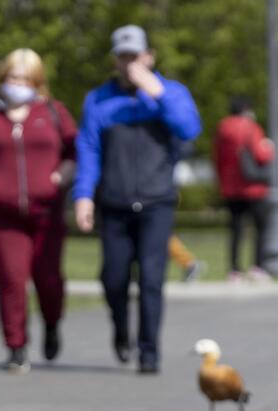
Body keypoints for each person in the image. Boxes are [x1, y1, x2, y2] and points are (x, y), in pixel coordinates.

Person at [73, 25, 201, 374]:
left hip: (156, 202)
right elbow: (88, 150)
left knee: (151, 280)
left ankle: (149, 352)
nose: (129, 63)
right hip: (114, 204)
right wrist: (84, 196)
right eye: (123, 57)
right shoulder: (99, 100)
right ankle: (120, 329)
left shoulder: (170, 93)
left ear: (148, 56)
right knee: (113, 279)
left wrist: (156, 92)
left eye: (135, 55)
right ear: (115, 60)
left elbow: (189, 129)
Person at [0, 48, 77, 374]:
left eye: (26, 78)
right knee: (12, 278)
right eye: (13, 77)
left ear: (37, 82)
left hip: (47, 211)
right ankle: (16, 346)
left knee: (48, 279)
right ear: (2, 79)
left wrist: (59, 178)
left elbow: (74, 149)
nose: (18, 83)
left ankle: (52, 323)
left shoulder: (53, 112)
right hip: (4, 214)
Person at [214, 96, 275, 282]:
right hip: (253, 187)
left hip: (231, 187)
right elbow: (261, 154)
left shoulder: (222, 128)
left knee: (235, 230)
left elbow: (217, 158)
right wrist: (270, 148)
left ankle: (234, 270)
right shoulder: (251, 127)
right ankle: (257, 267)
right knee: (260, 228)